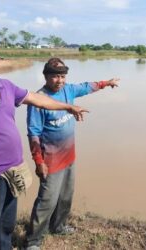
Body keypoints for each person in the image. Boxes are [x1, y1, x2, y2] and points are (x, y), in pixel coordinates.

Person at [0, 40, 86, 250]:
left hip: (13, 171)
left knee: (5, 228)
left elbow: (39, 100)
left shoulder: (5, 86)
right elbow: (35, 129)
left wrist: (67, 106)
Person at [24, 58, 119, 249]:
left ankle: (58, 226)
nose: (59, 81)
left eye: (62, 76)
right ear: (46, 76)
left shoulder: (69, 90)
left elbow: (86, 87)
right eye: (55, 76)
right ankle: (33, 241)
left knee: (66, 196)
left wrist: (105, 83)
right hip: (50, 160)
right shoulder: (38, 100)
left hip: (69, 156)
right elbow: (33, 133)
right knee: (47, 201)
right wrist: (38, 161)